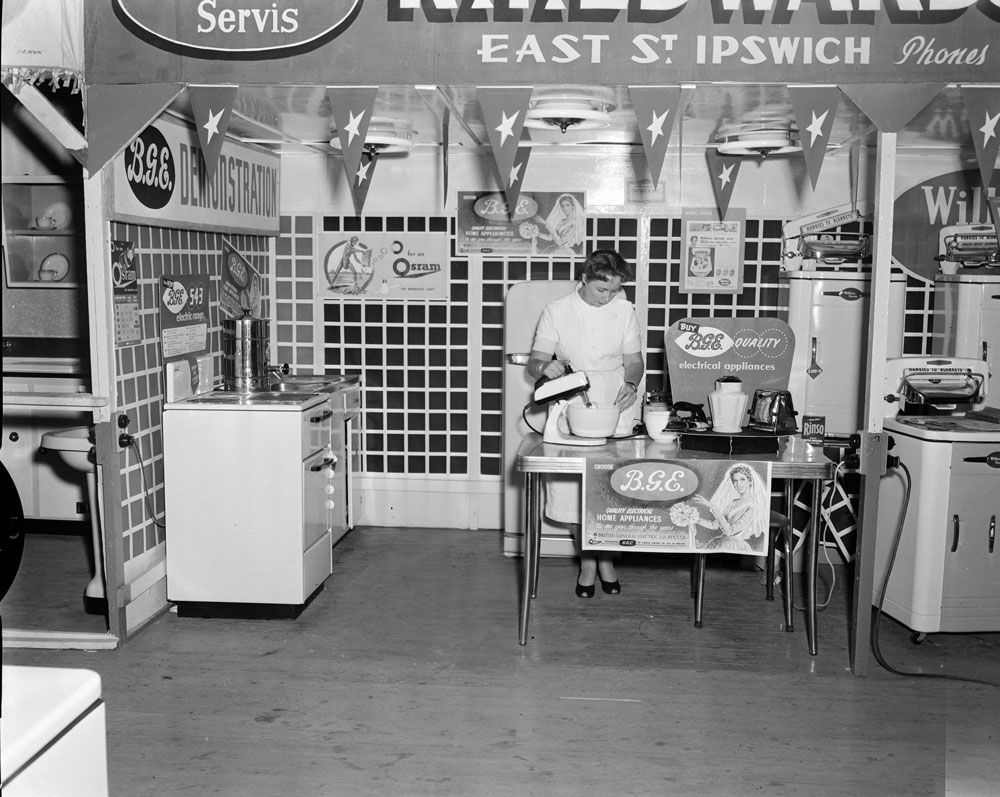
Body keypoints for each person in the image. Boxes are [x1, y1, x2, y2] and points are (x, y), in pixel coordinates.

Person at [526, 249, 644, 598]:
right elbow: (535, 362)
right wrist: (544, 367)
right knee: (576, 492)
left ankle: (604, 559)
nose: (608, 298)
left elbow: (634, 362)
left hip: (613, 399)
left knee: (608, 487)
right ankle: (589, 562)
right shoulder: (557, 310)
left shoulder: (624, 310)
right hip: (573, 396)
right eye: (601, 290)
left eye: (614, 290)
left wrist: (631, 384)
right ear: (584, 279)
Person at [692, 463, 769, 554]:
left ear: (750, 481)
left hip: (736, 546)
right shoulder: (733, 502)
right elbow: (714, 525)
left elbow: (730, 531)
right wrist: (694, 519)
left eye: (742, 479)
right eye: (735, 481)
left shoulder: (753, 506)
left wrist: (712, 506)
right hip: (720, 542)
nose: (738, 484)